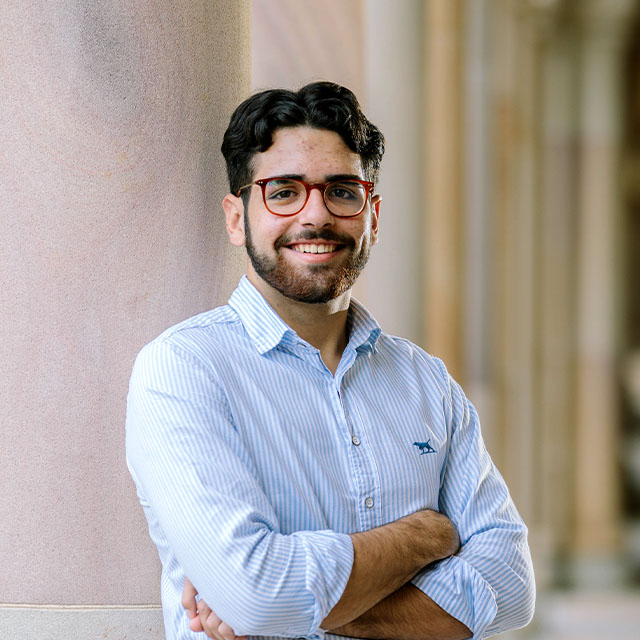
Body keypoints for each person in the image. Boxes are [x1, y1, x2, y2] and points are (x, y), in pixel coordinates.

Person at [126, 81, 535, 640]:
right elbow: (255, 592)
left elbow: (511, 587)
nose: (315, 215)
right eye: (283, 190)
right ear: (236, 216)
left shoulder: (426, 382)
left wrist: (291, 606)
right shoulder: (182, 371)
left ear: (373, 213)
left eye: (342, 191)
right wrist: (426, 538)